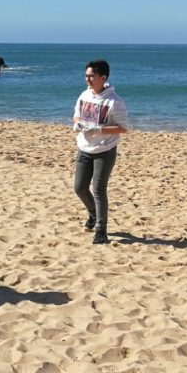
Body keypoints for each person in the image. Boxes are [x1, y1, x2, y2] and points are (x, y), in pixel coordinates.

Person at [72, 59, 129, 244]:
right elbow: (77, 114)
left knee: (98, 189)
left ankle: (101, 231)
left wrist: (99, 130)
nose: (88, 79)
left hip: (105, 149)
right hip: (85, 147)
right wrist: (78, 124)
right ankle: (93, 214)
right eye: (86, 76)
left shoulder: (115, 101)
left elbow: (123, 127)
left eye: (92, 76)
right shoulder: (84, 95)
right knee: (79, 187)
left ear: (102, 78)